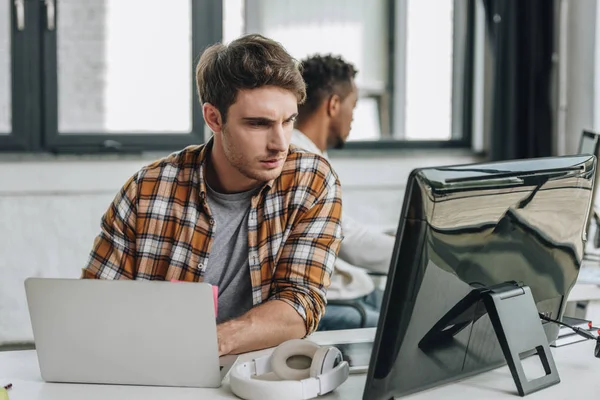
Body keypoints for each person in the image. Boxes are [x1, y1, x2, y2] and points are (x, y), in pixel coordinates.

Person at [81, 35, 344, 356]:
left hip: (257, 373)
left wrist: (210, 343)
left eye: (288, 121)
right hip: (155, 367)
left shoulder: (310, 180)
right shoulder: (147, 190)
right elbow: (95, 308)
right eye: (259, 124)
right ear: (214, 118)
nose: (280, 143)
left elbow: (300, 303)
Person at [292, 54, 395, 331]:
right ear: (334, 104)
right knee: (416, 332)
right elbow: (347, 241)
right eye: (354, 106)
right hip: (332, 303)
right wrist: (416, 251)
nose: (353, 117)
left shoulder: (312, 153)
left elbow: (341, 225)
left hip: (351, 290)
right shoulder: (300, 159)